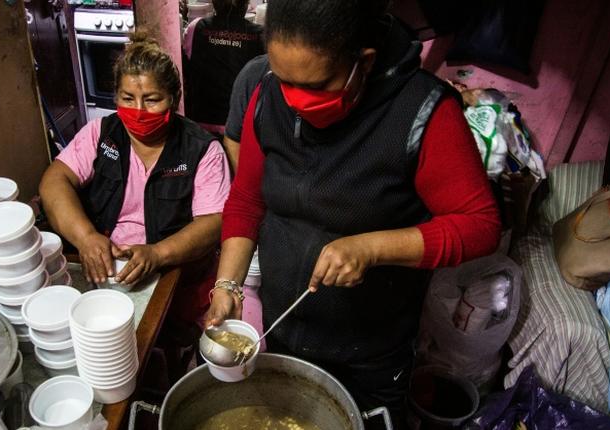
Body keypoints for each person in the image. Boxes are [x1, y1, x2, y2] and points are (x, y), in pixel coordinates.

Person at [204, 0, 501, 427]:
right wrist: (227, 284)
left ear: (364, 61)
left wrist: (372, 247)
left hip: (370, 353)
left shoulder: (423, 111)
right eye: (285, 81)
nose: (296, 102)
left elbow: (482, 226)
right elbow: (247, 200)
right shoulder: (265, 95)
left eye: (318, 85)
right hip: (283, 327)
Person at [39, 32, 231, 329]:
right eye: (128, 98)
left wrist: (157, 253)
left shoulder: (202, 149)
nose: (139, 111)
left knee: (158, 342)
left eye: (152, 100)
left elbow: (214, 221)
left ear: (174, 99)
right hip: (105, 267)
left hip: (172, 273)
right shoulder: (101, 133)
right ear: (115, 96)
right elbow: (55, 181)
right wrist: (86, 237)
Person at [183, 0, 265, 148]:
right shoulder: (259, 35)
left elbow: (187, 67)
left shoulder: (197, 28)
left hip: (201, 125)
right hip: (241, 127)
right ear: (246, 5)